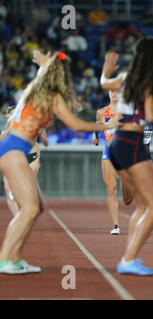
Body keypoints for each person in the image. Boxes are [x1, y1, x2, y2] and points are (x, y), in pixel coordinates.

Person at [0, 52, 119, 275]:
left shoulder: (38, 90)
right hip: (13, 149)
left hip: (12, 148)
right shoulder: (51, 95)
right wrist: (106, 126)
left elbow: (46, 78)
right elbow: (76, 125)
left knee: (37, 207)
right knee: (30, 208)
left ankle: (13, 259)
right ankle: (5, 259)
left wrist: (45, 63)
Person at [100, 38, 153, 276]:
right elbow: (151, 116)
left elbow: (104, 84)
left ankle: (130, 257)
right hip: (132, 143)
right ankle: (129, 259)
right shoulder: (148, 80)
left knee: (143, 205)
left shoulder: (125, 77)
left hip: (117, 143)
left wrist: (105, 70)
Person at [92, 90, 134, 235]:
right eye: (112, 91)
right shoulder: (101, 112)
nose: (115, 94)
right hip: (108, 152)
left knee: (127, 192)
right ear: (109, 93)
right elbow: (97, 126)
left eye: (117, 91)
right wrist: (95, 136)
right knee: (111, 189)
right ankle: (116, 225)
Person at [3, 105, 48, 216]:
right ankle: (19, 217)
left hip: (31, 156)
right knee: (10, 191)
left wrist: (41, 132)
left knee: (28, 188)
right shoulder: (10, 124)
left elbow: (46, 143)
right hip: (15, 157)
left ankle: (26, 215)